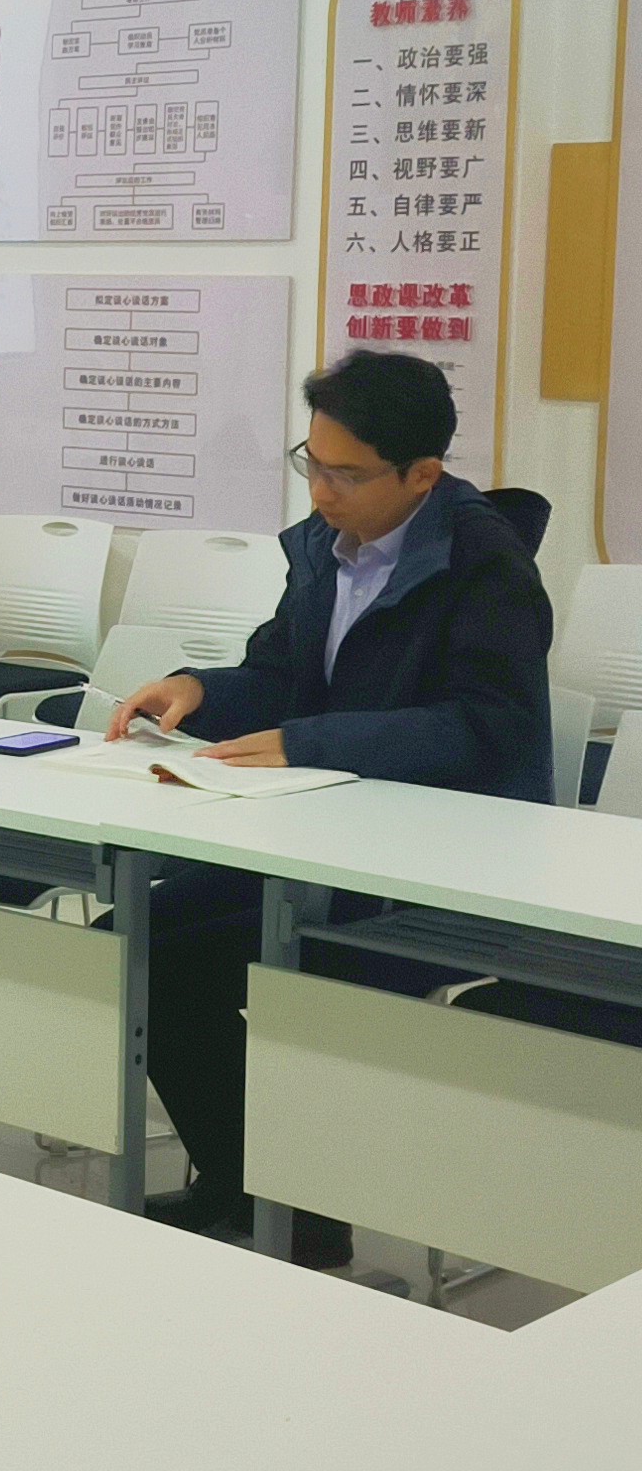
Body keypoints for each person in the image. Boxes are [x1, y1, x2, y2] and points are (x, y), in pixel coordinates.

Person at [104, 351, 550, 1264]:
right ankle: (253, 1189)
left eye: (346, 475)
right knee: (133, 939)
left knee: (219, 964)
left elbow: (488, 730)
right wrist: (198, 689)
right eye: (312, 463)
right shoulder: (321, 547)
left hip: (435, 868)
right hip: (319, 843)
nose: (321, 492)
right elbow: (280, 672)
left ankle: (296, 1214)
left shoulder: (485, 564)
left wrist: (315, 742)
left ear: (422, 475)